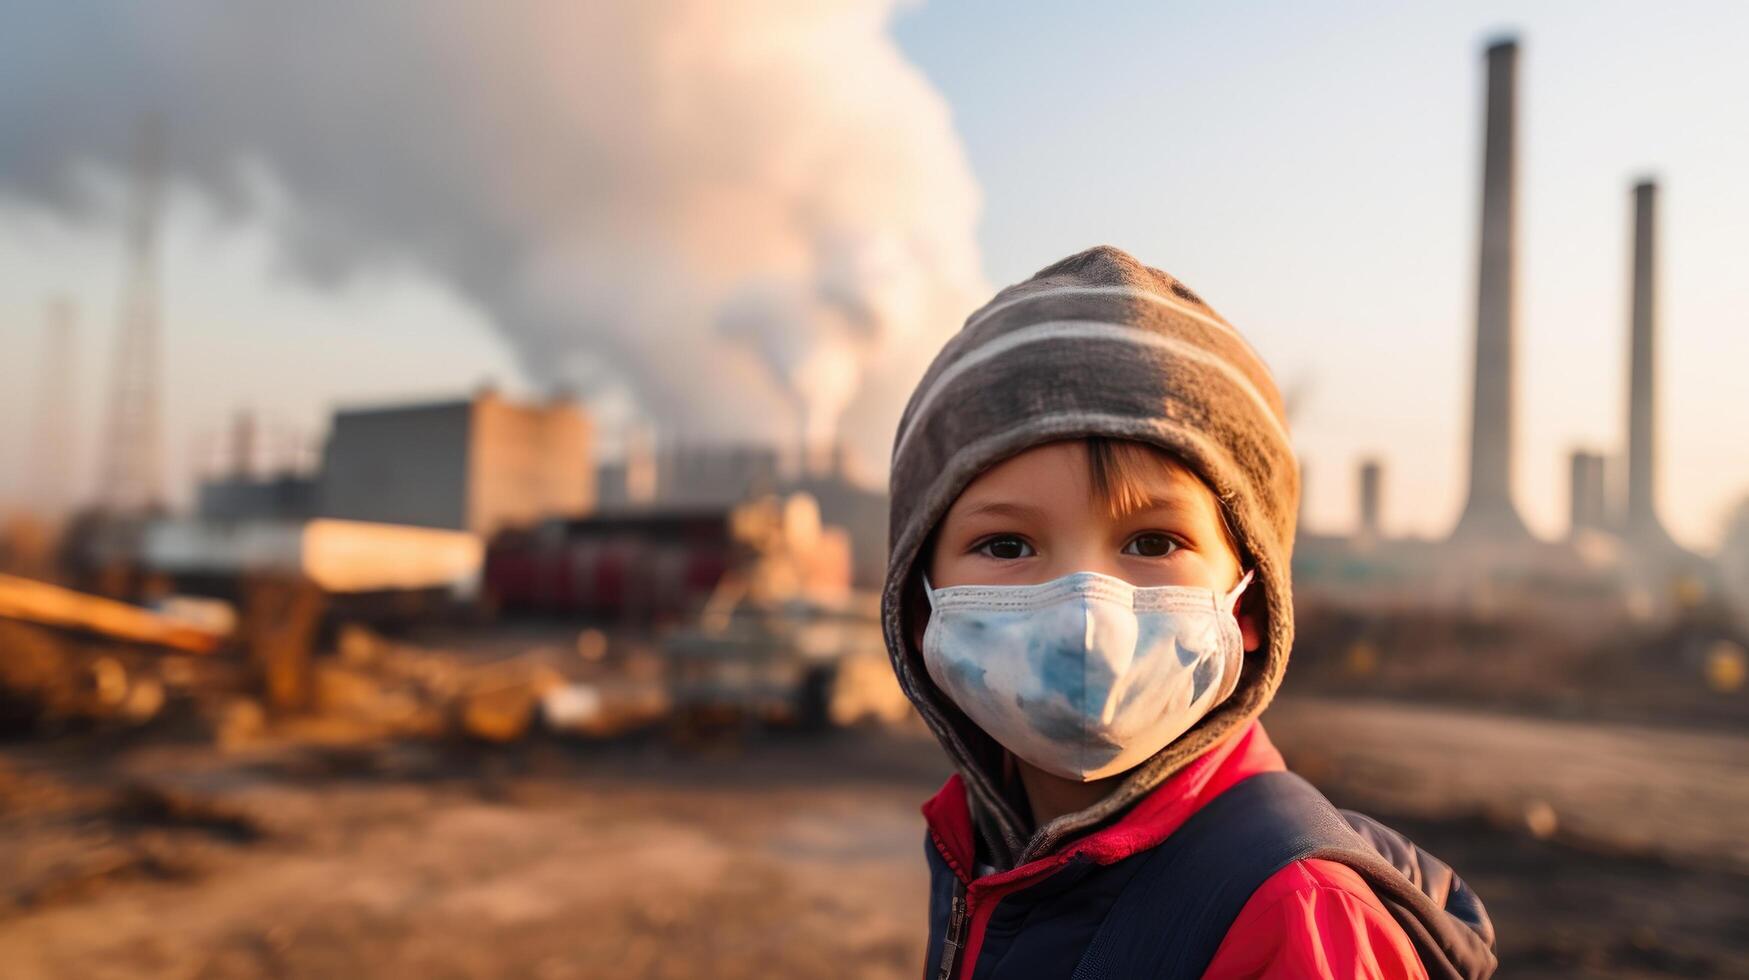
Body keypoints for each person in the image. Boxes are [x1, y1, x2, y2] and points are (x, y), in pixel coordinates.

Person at [880, 246, 1495, 979]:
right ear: (918, 603)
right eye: (1007, 544)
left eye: (1151, 541)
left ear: (1250, 604)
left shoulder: (1293, 915)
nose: (1087, 609)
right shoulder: (983, 850)